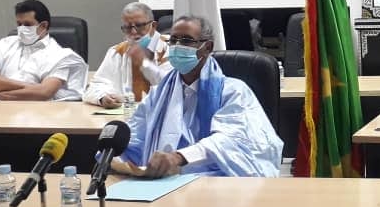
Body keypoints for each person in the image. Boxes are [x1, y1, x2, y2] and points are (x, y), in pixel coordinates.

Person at [116, 15, 282, 178]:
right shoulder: (159, 94)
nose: (177, 46)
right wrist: (113, 150)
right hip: (165, 182)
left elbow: (231, 141)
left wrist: (179, 157)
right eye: (173, 40)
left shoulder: (234, 92)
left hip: (217, 182)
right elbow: (136, 136)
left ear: (207, 47)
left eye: (186, 41)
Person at [0, 0, 88, 101]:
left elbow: (44, 93)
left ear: (43, 26)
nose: (22, 29)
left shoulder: (60, 55)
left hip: (38, 114)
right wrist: (28, 87)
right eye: (19, 24)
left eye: (27, 24)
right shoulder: (4, 45)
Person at [84, 2, 171, 108]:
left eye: (139, 26)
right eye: (128, 27)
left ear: (153, 26)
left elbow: (173, 88)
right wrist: (103, 97)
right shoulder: (117, 52)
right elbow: (95, 85)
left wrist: (144, 63)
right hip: (125, 114)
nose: (134, 32)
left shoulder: (170, 48)